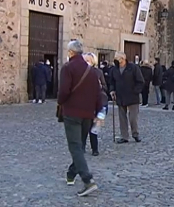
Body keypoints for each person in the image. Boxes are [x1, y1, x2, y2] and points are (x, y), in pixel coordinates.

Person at [57, 40, 101, 196]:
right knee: (80, 146)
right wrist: (98, 112)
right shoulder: (91, 71)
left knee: (75, 147)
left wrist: (61, 102)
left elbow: (63, 91)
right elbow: (98, 93)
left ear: (70, 53)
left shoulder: (68, 68)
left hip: (72, 113)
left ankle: (87, 180)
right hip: (88, 114)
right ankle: (71, 173)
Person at [109, 52, 144, 144]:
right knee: (122, 117)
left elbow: (140, 81)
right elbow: (111, 81)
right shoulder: (114, 69)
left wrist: (135, 91)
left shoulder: (133, 68)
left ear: (123, 58)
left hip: (132, 96)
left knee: (133, 117)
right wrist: (112, 90)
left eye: (117, 58)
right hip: (120, 96)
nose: (116, 59)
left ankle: (135, 134)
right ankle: (124, 136)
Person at [82, 53, 108, 156]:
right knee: (85, 127)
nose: (86, 62)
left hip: (100, 103)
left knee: (95, 128)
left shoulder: (98, 72)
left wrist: (100, 86)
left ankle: (95, 149)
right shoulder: (81, 72)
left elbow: (105, 86)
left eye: (88, 60)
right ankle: (82, 147)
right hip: (86, 103)